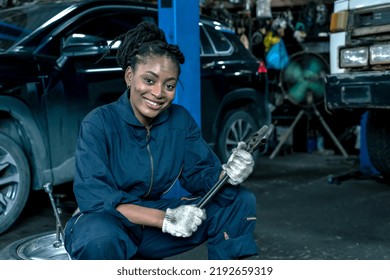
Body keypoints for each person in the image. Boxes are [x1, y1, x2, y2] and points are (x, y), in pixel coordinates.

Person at [64, 22, 258, 260]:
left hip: (152, 226)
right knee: (100, 236)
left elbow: (200, 174)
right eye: (149, 80)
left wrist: (229, 173)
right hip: (108, 223)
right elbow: (95, 199)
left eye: (169, 85)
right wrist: (165, 220)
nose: (158, 93)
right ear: (129, 76)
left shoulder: (180, 121)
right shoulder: (98, 124)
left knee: (238, 200)